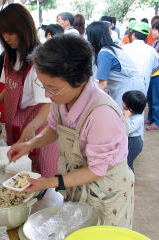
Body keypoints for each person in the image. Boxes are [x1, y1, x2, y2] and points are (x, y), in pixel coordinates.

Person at [8, 34, 134, 228]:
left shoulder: (101, 115)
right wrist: (29, 144)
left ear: (79, 80)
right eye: (43, 87)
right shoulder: (61, 100)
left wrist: (48, 182)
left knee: (101, 231)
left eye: (53, 88)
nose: (48, 96)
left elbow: (96, 170)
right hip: (79, 181)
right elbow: (54, 128)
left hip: (106, 190)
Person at [0, 4, 59, 177]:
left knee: (39, 175)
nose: (6, 38)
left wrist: (32, 126)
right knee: (17, 170)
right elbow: (10, 89)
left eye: (10, 32)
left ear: (23, 29)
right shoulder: (10, 56)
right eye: (2, 33)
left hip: (39, 126)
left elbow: (49, 103)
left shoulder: (39, 61)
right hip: (16, 124)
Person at [86, 21, 139, 109]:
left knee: (123, 118)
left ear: (93, 36)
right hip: (131, 87)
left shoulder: (104, 53)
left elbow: (102, 85)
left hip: (126, 89)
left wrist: (91, 105)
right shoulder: (112, 48)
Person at [123, 22, 158, 95]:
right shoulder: (152, 51)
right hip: (143, 89)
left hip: (125, 88)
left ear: (134, 34)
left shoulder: (124, 48)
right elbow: (155, 66)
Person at [122, 90, 147, 172]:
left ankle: (129, 179)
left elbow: (127, 130)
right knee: (124, 160)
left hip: (134, 142)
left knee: (127, 162)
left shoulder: (138, 118)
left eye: (124, 102)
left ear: (131, 108)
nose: (123, 103)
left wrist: (126, 118)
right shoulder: (130, 113)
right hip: (129, 140)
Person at [146, 19, 159, 131]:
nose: (152, 32)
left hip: (157, 75)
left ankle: (157, 121)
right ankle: (150, 118)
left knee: (156, 100)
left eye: (154, 29)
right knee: (150, 98)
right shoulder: (155, 43)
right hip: (152, 74)